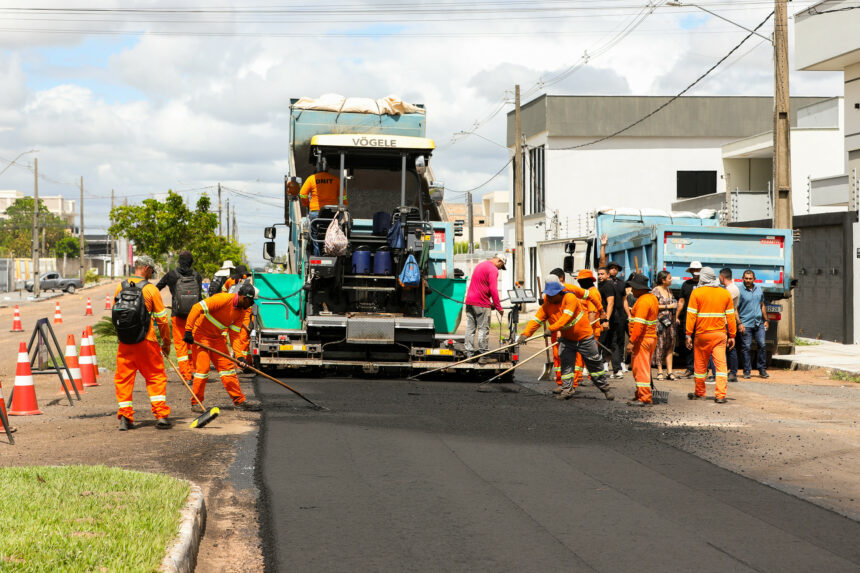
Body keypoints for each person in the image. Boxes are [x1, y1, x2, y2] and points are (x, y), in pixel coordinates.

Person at [518, 277, 614, 401]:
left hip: (584, 337)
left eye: (553, 295)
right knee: (566, 366)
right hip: (567, 339)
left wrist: (551, 328)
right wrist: (525, 334)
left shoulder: (570, 298)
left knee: (594, 365)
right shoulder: (547, 304)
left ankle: (604, 388)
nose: (551, 297)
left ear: (560, 291)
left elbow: (566, 318)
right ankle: (567, 390)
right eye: (549, 295)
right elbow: (536, 320)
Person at [114, 255, 173, 431]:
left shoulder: (120, 286)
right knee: (155, 376)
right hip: (147, 342)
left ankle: (125, 417)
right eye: (152, 271)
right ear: (146, 268)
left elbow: (117, 314)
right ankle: (161, 415)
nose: (151, 274)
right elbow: (162, 320)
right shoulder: (150, 290)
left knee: (124, 379)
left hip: (125, 343)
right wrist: (166, 343)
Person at [183, 284, 262, 411]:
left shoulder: (240, 312)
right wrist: (188, 330)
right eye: (252, 301)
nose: (252, 305)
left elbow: (235, 335)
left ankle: (239, 400)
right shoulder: (222, 299)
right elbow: (196, 307)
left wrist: (240, 357)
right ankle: (196, 402)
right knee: (203, 370)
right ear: (245, 298)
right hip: (200, 336)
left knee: (228, 369)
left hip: (216, 339)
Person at [547, 268, 608, 392]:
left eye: (580, 280)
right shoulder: (585, 291)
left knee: (583, 359)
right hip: (580, 331)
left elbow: (591, 312)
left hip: (586, 332)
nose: (579, 283)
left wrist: (586, 332)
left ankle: (576, 382)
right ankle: (573, 381)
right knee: (577, 360)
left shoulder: (593, 293)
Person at [685, 267, 736, 404]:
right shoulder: (725, 293)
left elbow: (691, 315)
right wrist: (732, 335)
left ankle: (700, 393)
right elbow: (730, 317)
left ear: (702, 278)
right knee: (720, 366)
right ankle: (720, 395)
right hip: (719, 335)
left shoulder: (696, 293)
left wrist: (688, 334)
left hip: (702, 335)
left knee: (700, 366)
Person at [155, 250, 203, 382]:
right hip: (194, 316)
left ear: (179, 262)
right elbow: (200, 297)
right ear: (191, 262)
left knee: (181, 346)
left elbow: (156, 288)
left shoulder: (171, 275)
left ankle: (186, 376)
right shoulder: (197, 276)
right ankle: (194, 370)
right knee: (193, 343)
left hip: (178, 315)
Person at [626, 273, 659, 406]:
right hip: (650, 338)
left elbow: (639, 325)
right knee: (641, 367)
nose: (632, 290)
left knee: (641, 369)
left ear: (641, 288)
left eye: (634, 287)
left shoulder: (643, 301)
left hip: (642, 339)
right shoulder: (652, 298)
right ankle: (640, 393)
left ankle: (644, 397)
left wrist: (631, 341)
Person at [598, 234, 629, 378]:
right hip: (605, 316)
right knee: (602, 341)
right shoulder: (603, 281)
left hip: (617, 317)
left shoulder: (621, 283)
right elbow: (602, 261)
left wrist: (629, 315)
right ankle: (600, 365)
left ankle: (617, 369)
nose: (613, 270)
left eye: (616, 268)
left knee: (616, 342)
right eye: (611, 268)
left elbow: (624, 300)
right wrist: (603, 246)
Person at [464, 254, 505, 358]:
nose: (500, 269)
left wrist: (491, 303)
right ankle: (483, 355)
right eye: (501, 266)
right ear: (499, 261)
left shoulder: (480, 265)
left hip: (470, 301)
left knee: (470, 329)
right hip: (481, 303)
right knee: (483, 329)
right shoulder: (493, 269)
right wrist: (498, 307)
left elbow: (481, 285)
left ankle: (469, 353)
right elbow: (493, 289)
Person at [300, 164, 344, 256]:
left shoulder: (312, 179)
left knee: (315, 235)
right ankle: (333, 252)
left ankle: (318, 256)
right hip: (332, 214)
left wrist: (306, 204)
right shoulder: (336, 180)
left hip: (315, 213)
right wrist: (344, 208)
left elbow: (302, 194)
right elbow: (343, 196)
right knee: (333, 233)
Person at [736, 269, 770, 379]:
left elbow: (762, 305)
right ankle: (747, 371)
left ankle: (762, 369)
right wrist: (739, 323)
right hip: (746, 323)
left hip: (759, 323)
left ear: (754, 279)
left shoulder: (759, 289)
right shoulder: (739, 291)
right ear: (743, 279)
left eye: (750, 278)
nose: (748, 280)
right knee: (746, 347)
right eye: (746, 278)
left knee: (762, 345)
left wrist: (766, 320)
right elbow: (735, 309)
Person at [675, 261, 702, 378]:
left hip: (702, 319)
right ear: (690, 271)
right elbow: (681, 301)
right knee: (689, 343)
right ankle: (690, 368)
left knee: (701, 344)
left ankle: (701, 369)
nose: (695, 272)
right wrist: (676, 316)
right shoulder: (686, 284)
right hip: (689, 318)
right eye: (694, 270)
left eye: (698, 270)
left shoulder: (705, 285)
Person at [651, 270, 678, 381]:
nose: (671, 280)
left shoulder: (669, 290)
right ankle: (660, 371)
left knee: (670, 346)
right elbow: (653, 306)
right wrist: (668, 306)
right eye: (669, 278)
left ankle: (670, 372)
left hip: (670, 323)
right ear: (663, 280)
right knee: (660, 346)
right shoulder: (655, 291)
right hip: (660, 322)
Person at [719, 268, 741, 382]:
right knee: (725, 347)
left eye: (719, 277)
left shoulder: (732, 289)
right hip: (726, 321)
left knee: (730, 347)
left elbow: (721, 303)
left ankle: (733, 372)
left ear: (722, 277)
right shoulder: (728, 289)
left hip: (728, 322)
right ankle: (728, 371)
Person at [596, 266, 616, 374]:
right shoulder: (601, 285)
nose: (599, 276)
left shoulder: (608, 286)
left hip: (606, 319)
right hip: (601, 317)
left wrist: (606, 320)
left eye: (602, 274)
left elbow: (610, 303)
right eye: (598, 274)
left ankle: (603, 364)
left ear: (608, 275)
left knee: (604, 341)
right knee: (600, 341)